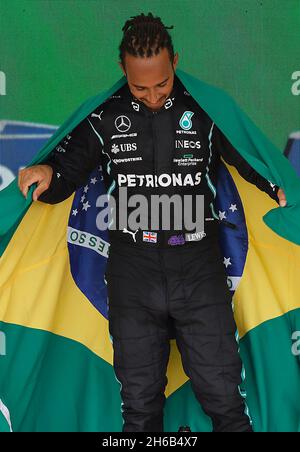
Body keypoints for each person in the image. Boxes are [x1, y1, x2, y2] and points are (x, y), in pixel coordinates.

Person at [18, 13, 286, 432]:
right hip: (133, 270)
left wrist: (280, 189)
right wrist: (46, 175)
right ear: (122, 70)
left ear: (175, 61)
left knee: (224, 401)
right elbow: (65, 172)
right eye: (139, 86)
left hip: (198, 267)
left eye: (161, 84)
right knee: (140, 409)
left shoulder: (205, 111)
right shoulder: (104, 118)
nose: (152, 96)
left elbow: (251, 160)